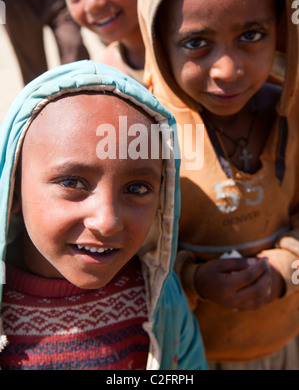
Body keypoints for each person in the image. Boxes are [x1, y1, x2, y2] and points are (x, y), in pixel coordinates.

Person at [138, 0, 299, 370]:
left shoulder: (294, 112)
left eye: (251, 35)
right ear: (158, 44)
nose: (227, 70)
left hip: (284, 345)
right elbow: (131, 254)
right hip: (188, 356)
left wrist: (287, 266)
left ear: (282, 31)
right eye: (196, 43)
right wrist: (193, 280)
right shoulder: (142, 134)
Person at [0, 60, 208, 370]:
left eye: (137, 188)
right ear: (13, 189)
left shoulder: (160, 301)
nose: (108, 221)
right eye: (72, 183)